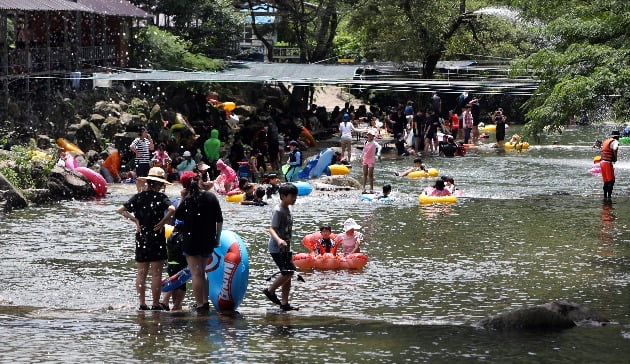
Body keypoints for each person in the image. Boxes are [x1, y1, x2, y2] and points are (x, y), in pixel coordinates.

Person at [117, 167, 176, 310]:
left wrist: (135, 221)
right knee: (156, 273)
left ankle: (142, 304)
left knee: (141, 272)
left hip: (141, 236)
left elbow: (120, 210)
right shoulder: (161, 197)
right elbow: (172, 209)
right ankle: (156, 304)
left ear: (148, 182)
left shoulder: (138, 196)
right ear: (158, 184)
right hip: (157, 236)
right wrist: (163, 222)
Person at [174, 170, 223, 313]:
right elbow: (219, 220)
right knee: (203, 272)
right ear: (201, 181)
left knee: (196, 273)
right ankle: (205, 301)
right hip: (208, 239)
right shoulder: (211, 197)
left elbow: (178, 216)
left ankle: (200, 304)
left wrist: (182, 197)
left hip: (191, 239)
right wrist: (217, 238)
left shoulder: (188, 199)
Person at [160, 171, 196, 311]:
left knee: (175, 271)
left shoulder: (177, 201)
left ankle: (166, 302)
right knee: (183, 273)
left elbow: (171, 219)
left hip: (173, 238)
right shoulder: (196, 199)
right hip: (184, 239)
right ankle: (176, 307)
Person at [263, 183, 299, 311]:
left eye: (296, 196)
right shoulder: (278, 210)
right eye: (292, 196)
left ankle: (284, 303)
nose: (295, 199)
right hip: (276, 247)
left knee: (288, 274)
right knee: (288, 272)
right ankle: (270, 290)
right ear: (283, 196)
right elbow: (271, 228)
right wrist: (278, 240)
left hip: (285, 247)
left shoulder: (288, 208)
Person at [130, 126, 155, 192]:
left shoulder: (147, 140)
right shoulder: (137, 140)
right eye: (145, 132)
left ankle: (143, 191)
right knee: (139, 178)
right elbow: (131, 146)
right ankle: (139, 191)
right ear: (141, 133)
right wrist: (137, 152)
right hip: (140, 162)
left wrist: (150, 140)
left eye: (147, 132)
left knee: (145, 178)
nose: (147, 133)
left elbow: (152, 148)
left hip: (146, 162)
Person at [600, 130, 620, 200]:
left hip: (602, 162)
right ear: (617, 136)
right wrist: (615, 158)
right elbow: (615, 149)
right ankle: (609, 197)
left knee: (606, 181)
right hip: (607, 163)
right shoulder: (615, 141)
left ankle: (605, 196)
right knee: (611, 180)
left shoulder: (606, 141)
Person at [361, 129, 382, 194]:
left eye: (371, 135)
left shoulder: (374, 143)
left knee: (370, 175)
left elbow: (380, 147)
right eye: (369, 135)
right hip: (365, 159)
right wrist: (360, 156)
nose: (370, 136)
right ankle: (363, 188)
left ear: (373, 136)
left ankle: (371, 189)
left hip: (371, 160)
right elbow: (364, 150)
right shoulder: (366, 142)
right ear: (367, 135)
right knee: (365, 174)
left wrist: (378, 153)